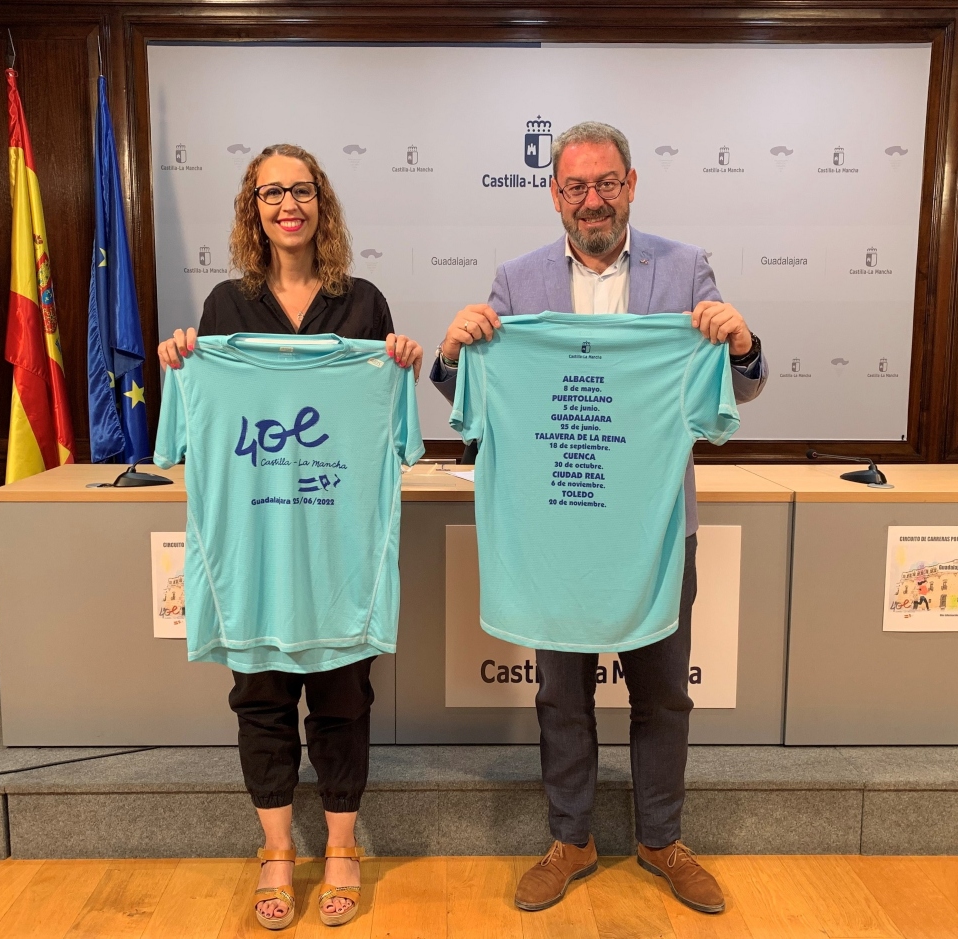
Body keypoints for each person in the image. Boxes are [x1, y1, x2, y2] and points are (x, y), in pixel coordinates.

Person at [431, 122, 768, 915]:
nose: (593, 200)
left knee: (662, 693)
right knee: (560, 693)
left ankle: (660, 838)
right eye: (577, 186)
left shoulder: (686, 268)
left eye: (607, 183)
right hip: (556, 528)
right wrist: (454, 356)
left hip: (654, 529)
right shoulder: (515, 282)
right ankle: (571, 837)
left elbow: (737, 389)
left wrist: (742, 343)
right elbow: (484, 408)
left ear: (632, 184)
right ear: (554, 194)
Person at [158, 143, 422, 930]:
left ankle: (342, 847)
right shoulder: (224, 312)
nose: (287, 205)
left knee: (345, 696)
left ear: (321, 202)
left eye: (300, 190)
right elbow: (188, 431)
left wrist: (400, 362)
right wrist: (183, 362)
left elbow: (395, 429)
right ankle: (276, 849)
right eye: (272, 192)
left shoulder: (365, 304)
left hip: (337, 553)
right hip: (257, 555)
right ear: (253, 207)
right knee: (260, 699)